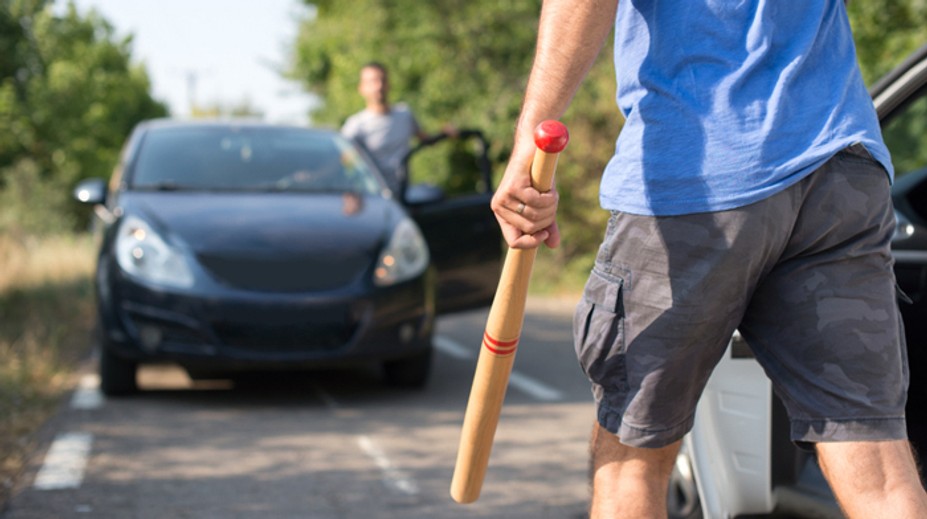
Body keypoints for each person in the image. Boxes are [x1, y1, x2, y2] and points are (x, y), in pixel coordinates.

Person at [491, 1, 927, 518]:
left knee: (633, 458)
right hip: (839, 165)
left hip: (697, 169)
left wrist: (528, 142)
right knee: (877, 464)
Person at [341, 62, 453, 192]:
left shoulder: (404, 114)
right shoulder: (355, 125)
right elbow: (342, 163)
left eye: (382, 80)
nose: (379, 86)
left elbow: (426, 140)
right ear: (361, 88)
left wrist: (445, 133)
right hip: (375, 195)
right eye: (372, 81)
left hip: (404, 192)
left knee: (435, 193)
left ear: (388, 84)